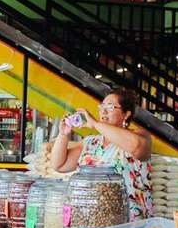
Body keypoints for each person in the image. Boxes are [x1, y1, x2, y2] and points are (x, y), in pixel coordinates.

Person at [50, 88, 154, 220]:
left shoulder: (139, 136)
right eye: (101, 107)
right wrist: (63, 135)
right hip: (93, 220)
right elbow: (59, 165)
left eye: (110, 107)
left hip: (130, 223)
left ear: (126, 114)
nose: (103, 112)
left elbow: (137, 147)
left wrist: (95, 124)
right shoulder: (90, 143)